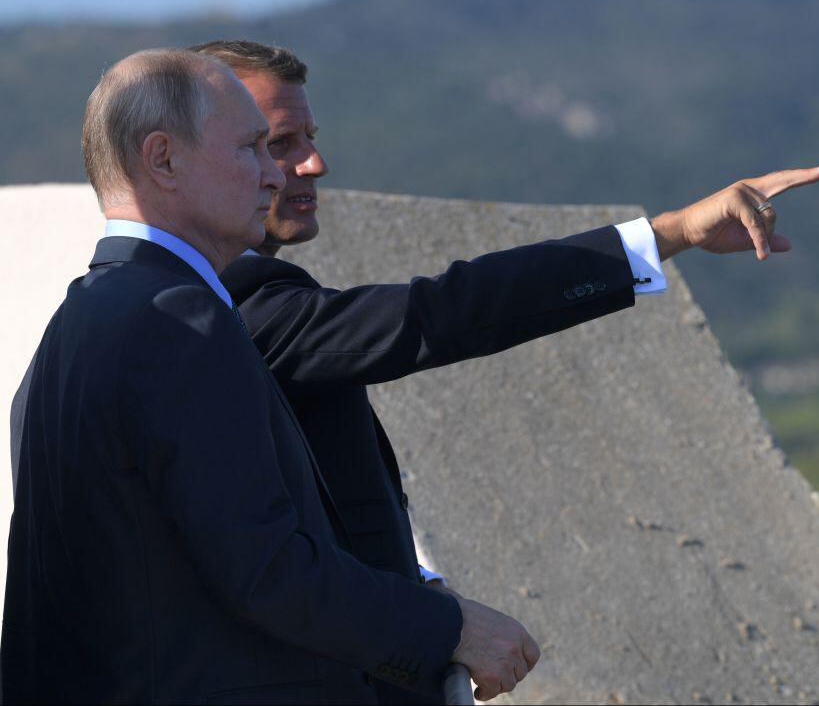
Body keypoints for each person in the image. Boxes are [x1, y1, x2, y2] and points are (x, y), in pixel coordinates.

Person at [191, 40, 819, 702]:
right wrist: (669, 234)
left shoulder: (233, 300)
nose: (314, 163)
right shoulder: (243, 303)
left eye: (311, 137)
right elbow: (443, 312)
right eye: (279, 142)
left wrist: (420, 589)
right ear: (190, 159)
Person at [3, 48, 537, 705]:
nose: (273, 177)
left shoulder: (74, 326)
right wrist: (450, 627)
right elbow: (268, 569)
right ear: (163, 159)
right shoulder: (179, 319)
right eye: (254, 149)